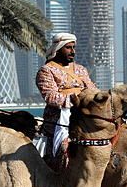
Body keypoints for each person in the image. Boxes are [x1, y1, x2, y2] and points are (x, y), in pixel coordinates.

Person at [36, 32, 96, 169]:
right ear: (58, 48)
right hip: (59, 123)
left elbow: (92, 90)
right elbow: (50, 96)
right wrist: (74, 99)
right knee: (63, 154)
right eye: (68, 48)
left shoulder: (81, 70)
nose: (72, 52)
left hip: (84, 121)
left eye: (74, 48)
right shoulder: (46, 70)